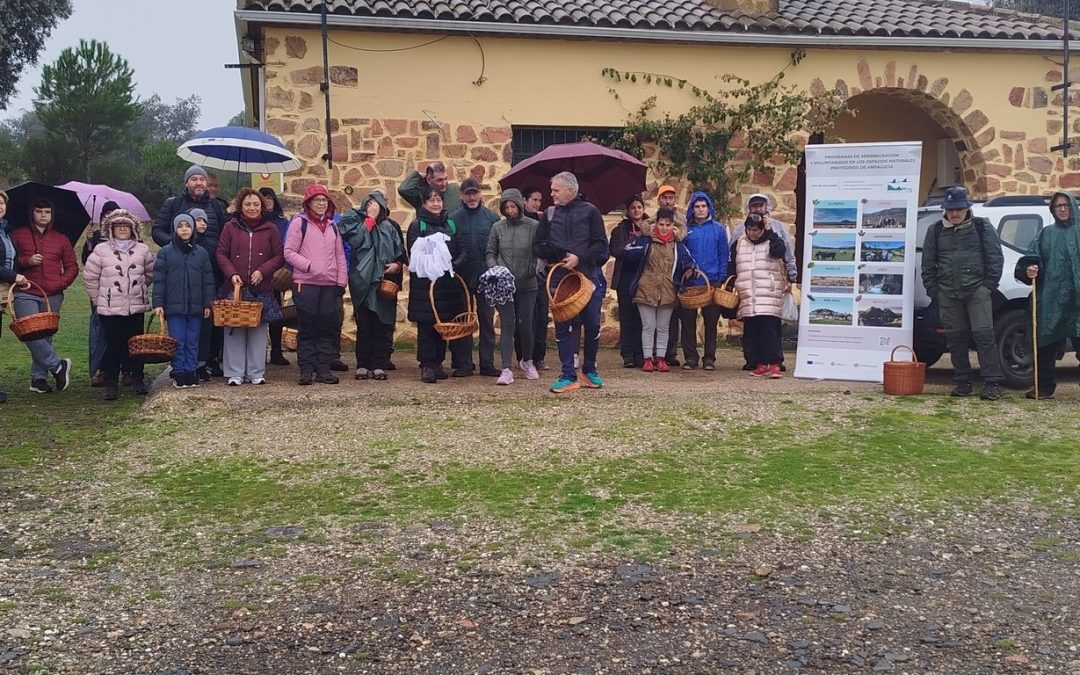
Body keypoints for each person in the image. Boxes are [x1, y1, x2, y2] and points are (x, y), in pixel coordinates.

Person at [921, 185, 1004, 400]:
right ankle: (962, 381)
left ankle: (992, 382)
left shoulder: (982, 227)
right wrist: (934, 292)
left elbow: (995, 258)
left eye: (958, 208)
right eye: (951, 209)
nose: (955, 213)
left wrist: (987, 287)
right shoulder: (935, 230)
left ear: (966, 207)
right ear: (945, 210)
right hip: (947, 292)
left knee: (984, 335)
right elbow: (928, 264)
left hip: (977, 290)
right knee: (955, 338)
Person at [532, 171, 609, 394]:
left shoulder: (591, 212)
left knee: (593, 324)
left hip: (588, 277)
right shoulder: (548, 214)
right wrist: (555, 253)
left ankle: (589, 370)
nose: (551, 193)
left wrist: (579, 258)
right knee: (563, 328)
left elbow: (601, 246)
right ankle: (568, 374)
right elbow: (538, 246)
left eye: (555, 190)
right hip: (559, 279)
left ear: (570, 190)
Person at [82, 210, 155, 400]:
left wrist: (137, 289)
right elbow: (90, 277)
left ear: (133, 229)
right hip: (110, 308)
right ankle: (111, 384)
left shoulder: (143, 250)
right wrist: (99, 299)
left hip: (135, 307)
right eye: (117, 225)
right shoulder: (100, 250)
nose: (122, 229)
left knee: (136, 346)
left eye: (126, 225)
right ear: (110, 228)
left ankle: (137, 378)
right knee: (113, 347)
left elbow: (149, 273)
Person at [216, 187, 285, 386]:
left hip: (261, 288)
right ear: (240, 206)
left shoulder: (270, 228)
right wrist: (232, 274)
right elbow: (221, 253)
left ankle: (256, 372)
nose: (252, 208)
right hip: (235, 288)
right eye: (247, 204)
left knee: (257, 330)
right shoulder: (230, 227)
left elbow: (279, 256)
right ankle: (235, 372)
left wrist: (262, 271)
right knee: (235, 328)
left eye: (256, 204)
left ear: (262, 206)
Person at [1016, 191, 1080, 400]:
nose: (1062, 209)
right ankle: (1043, 387)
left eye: (1065, 205)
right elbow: (1029, 260)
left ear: (1072, 206)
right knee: (1045, 345)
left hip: (1077, 300)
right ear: (1052, 210)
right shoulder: (1045, 234)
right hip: (1051, 299)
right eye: (1057, 206)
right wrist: (1029, 270)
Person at [339, 190, 406, 381]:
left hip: (383, 283)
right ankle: (362, 364)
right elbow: (356, 241)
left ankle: (378, 363)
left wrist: (397, 265)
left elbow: (400, 253)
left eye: (377, 204)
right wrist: (370, 219)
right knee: (365, 323)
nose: (374, 206)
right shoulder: (356, 223)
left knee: (382, 324)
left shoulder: (390, 227)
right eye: (370, 203)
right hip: (363, 282)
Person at [284, 184, 347, 385]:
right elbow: (289, 252)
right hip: (306, 283)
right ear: (308, 203)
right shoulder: (298, 223)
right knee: (308, 326)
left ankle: (323, 369)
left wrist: (341, 280)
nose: (321, 204)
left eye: (324, 200)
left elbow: (339, 255)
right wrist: (309, 266)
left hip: (328, 284)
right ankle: (306, 370)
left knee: (326, 327)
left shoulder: (332, 226)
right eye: (317, 200)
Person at [9, 198, 74, 394]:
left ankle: (38, 379)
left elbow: (72, 266)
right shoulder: (17, 235)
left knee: (45, 335)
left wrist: (60, 283)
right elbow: (9, 264)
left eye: (47, 212)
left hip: (52, 294)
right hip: (25, 292)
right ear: (32, 213)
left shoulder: (61, 238)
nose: (43, 215)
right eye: (39, 211)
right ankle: (58, 366)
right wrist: (27, 261)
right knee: (30, 333)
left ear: (52, 215)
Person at [622, 206, 696, 372]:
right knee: (648, 326)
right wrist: (638, 250)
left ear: (673, 226)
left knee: (663, 327)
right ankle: (648, 358)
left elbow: (689, 260)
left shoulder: (677, 245)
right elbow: (627, 254)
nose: (664, 228)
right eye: (661, 224)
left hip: (668, 290)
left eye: (667, 225)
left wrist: (691, 268)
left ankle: (661, 358)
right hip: (646, 288)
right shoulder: (645, 241)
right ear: (655, 224)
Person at [406, 186, 467, 384]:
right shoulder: (418, 226)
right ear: (424, 203)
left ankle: (438, 362)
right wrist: (435, 267)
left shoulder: (452, 223)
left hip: (448, 284)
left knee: (443, 325)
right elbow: (415, 255)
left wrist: (452, 266)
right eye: (431, 200)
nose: (435, 203)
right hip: (426, 286)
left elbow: (463, 249)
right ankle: (426, 364)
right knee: (427, 326)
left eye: (438, 200)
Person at [731, 193, 798, 370]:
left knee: (770, 328)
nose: (758, 209)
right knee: (751, 329)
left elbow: (785, 253)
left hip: (769, 288)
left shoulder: (778, 228)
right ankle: (754, 361)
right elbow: (733, 259)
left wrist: (792, 276)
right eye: (755, 206)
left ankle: (775, 362)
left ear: (766, 207)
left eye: (761, 205)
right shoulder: (740, 232)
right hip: (748, 289)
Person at [153, 213, 215, 389]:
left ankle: (191, 371)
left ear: (193, 228)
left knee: (193, 339)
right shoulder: (166, 252)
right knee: (178, 340)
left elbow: (207, 281)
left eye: (187, 226)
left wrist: (207, 303)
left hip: (196, 306)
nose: (184, 229)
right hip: (174, 307)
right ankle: (179, 371)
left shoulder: (201, 253)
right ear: (174, 229)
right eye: (180, 226)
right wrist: (158, 303)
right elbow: (159, 280)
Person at [486, 188, 541, 385]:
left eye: (513, 206)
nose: (510, 210)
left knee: (526, 325)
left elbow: (539, 251)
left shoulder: (534, 226)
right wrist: (495, 270)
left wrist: (533, 268)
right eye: (506, 207)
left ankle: (528, 361)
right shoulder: (497, 228)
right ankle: (506, 368)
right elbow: (490, 252)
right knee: (508, 324)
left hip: (528, 284)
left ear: (520, 205)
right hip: (504, 286)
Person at [450, 176, 500, 377]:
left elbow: (497, 248)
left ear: (480, 194)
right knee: (463, 320)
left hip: (486, 277)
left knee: (487, 320)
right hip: (461, 278)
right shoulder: (452, 219)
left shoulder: (492, 219)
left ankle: (487, 363)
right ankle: (464, 363)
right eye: (468, 193)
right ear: (461, 195)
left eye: (475, 193)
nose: (472, 197)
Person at [680, 191, 729, 371]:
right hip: (690, 283)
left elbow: (724, 254)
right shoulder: (686, 229)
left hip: (712, 282)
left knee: (710, 322)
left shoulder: (718, 229)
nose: (700, 209)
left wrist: (721, 276)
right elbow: (681, 253)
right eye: (697, 206)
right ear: (692, 209)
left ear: (709, 208)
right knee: (688, 322)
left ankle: (709, 358)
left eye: (703, 206)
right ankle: (691, 358)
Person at [83, 200, 120, 387]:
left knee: (123, 332)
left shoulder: (127, 234)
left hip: (123, 294)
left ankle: (128, 369)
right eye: (106, 214)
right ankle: (103, 369)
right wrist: (89, 243)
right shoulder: (96, 236)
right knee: (102, 331)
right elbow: (86, 262)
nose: (109, 216)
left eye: (113, 213)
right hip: (100, 292)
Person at [609, 195, 648, 368]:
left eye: (639, 207)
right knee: (627, 316)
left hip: (645, 276)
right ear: (628, 211)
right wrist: (631, 249)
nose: (636, 210)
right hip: (625, 275)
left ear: (643, 209)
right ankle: (627, 354)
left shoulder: (650, 227)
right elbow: (615, 249)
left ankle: (640, 353)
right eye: (633, 208)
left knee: (642, 316)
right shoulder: (620, 229)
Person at [0, 190, 30, 403]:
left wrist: (19, 277)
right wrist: (15, 276)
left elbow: (9, 261)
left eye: (2, 203)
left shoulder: (4, 232)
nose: (0, 206)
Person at [152, 165, 227, 248]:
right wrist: (174, 243)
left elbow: (226, 235)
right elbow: (157, 231)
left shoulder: (217, 206)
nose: (199, 183)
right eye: (194, 179)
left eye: (202, 179)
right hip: (180, 259)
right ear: (186, 183)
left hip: (209, 259)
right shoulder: (173, 203)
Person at [516, 187, 549, 370]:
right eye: (534, 200)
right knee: (524, 318)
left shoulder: (543, 221)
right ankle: (523, 354)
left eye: (539, 200)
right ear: (524, 200)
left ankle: (539, 356)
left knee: (541, 317)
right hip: (523, 274)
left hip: (541, 275)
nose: (537, 203)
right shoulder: (518, 221)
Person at [191, 208, 225, 380]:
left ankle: (208, 362)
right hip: (190, 294)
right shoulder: (183, 245)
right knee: (192, 331)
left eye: (204, 221)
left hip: (211, 291)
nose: (202, 224)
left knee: (210, 330)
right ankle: (190, 364)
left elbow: (219, 268)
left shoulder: (213, 244)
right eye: (198, 220)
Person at [260, 188, 292, 366]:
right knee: (256, 314)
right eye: (263, 198)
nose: (267, 201)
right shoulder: (254, 222)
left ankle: (276, 351)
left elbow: (287, 244)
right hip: (257, 273)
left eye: (270, 198)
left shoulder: (282, 223)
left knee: (276, 315)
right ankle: (258, 352)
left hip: (276, 273)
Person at [656, 184, 683, 367]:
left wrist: (677, 229)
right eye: (664, 197)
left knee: (672, 318)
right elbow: (645, 228)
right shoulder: (653, 219)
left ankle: (670, 352)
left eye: (670, 197)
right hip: (655, 276)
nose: (668, 200)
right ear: (659, 200)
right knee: (652, 320)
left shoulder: (680, 218)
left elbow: (684, 235)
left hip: (674, 272)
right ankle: (652, 354)